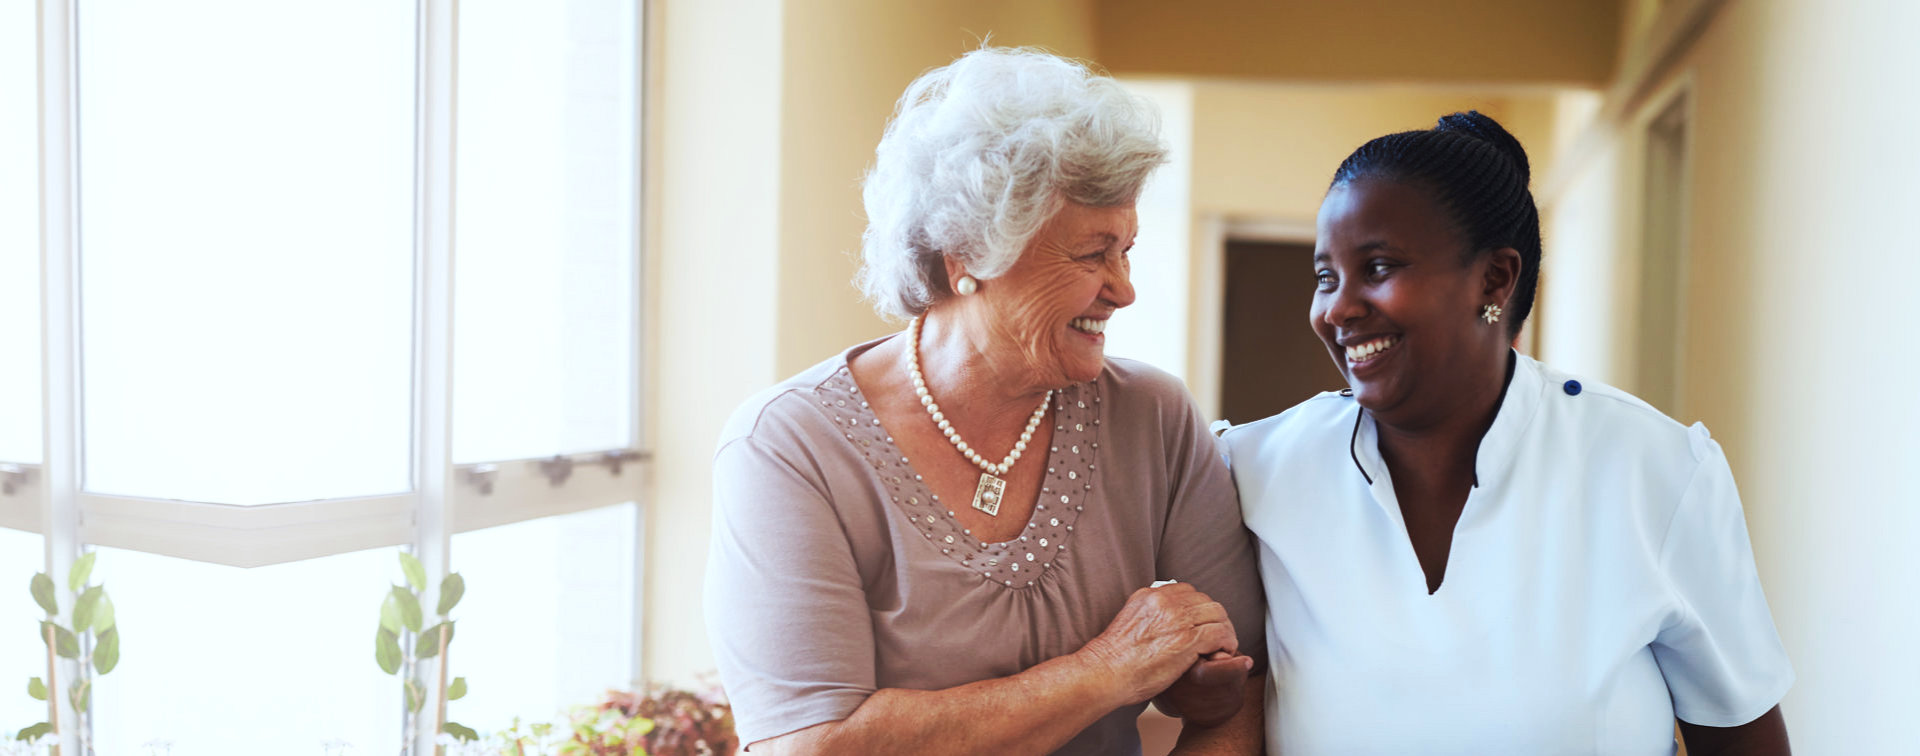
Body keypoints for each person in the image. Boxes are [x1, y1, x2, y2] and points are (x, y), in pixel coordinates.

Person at [704, 48, 1266, 755]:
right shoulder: (789, 445)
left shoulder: (1153, 416)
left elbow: (1244, 686)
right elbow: (813, 744)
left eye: (1127, 250)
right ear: (965, 254)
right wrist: (1109, 670)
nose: (1123, 289)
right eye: (1091, 254)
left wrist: (1202, 681)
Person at [1219, 111, 1794, 755]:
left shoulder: (1650, 469)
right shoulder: (1254, 472)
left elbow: (1744, 740)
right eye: (1326, 277)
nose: (1338, 309)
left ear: (1495, 279)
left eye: (1377, 267)